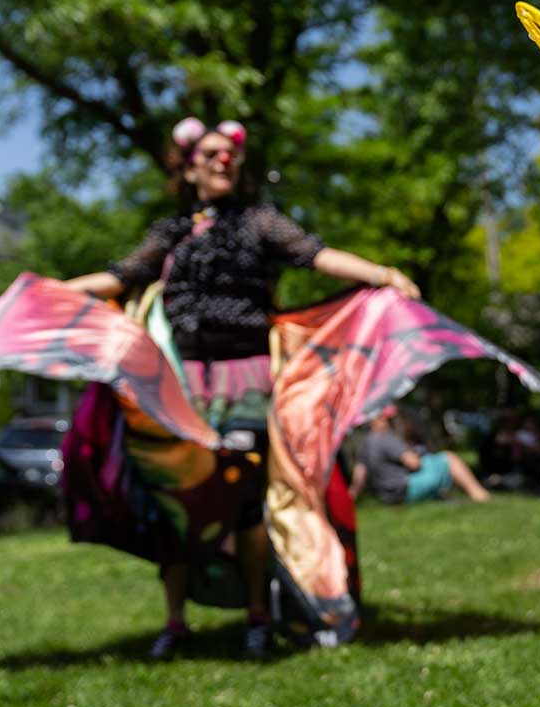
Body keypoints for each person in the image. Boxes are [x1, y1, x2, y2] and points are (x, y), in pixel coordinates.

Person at [65, 116, 420, 659]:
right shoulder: (172, 231)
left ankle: (258, 614)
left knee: (247, 498)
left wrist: (382, 273)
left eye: (228, 154)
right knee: (178, 504)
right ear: (188, 167)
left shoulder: (260, 222)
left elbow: (315, 256)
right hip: (181, 385)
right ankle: (176, 622)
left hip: (249, 378)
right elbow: (120, 277)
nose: (221, 161)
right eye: (208, 155)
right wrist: (50, 292)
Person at [349, 405, 490, 504]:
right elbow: (415, 464)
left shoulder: (364, 444)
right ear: (380, 419)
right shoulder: (386, 438)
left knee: (433, 464)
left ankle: (447, 497)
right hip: (405, 491)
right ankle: (479, 495)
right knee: (448, 458)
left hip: (387, 497)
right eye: (389, 419)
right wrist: (415, 454)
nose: (391, 422)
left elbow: (359, 479)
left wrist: (350, 499)